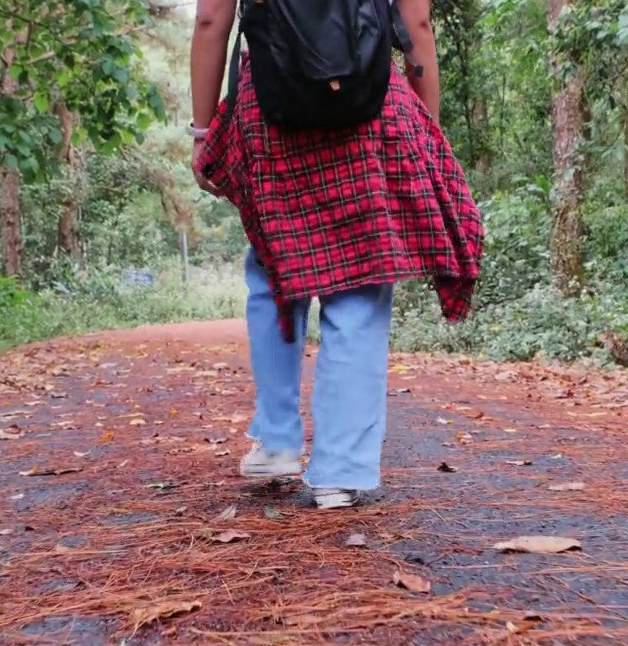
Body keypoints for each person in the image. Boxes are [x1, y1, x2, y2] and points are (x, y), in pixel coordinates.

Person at [189, 0, 483, 509]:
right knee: (361, 283)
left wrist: (201, 131)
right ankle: (340, 471)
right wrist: (426, 126)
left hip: (272, 101)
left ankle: (278, 441)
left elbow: (211, 20)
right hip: (370, 102)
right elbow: (416, 24)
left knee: (271, 265)